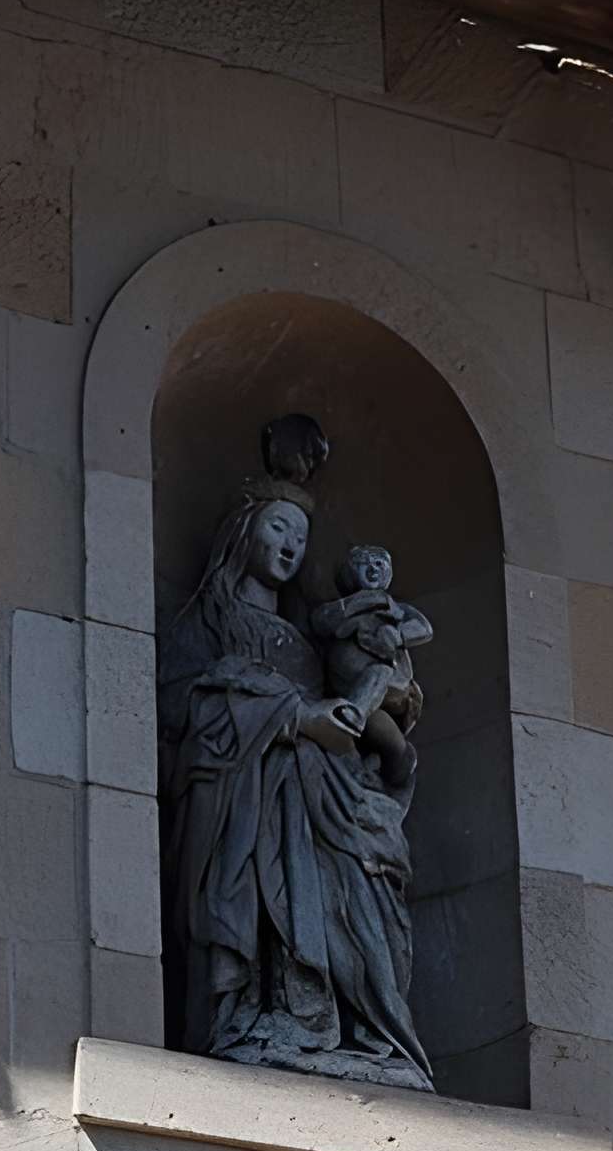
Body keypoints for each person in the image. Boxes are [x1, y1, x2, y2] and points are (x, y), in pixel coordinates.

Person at [155, 421, 434, 1091]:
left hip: (330, 798)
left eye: (301, 536)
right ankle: (260, 1014)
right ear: (245, 532)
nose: (291, 545)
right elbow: (184, 708)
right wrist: (294, 719)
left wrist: (375, 732)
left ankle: (359, 1029)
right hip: (253, 799)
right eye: (279, 528)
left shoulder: (312, 639)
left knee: (366, 876)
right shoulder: (206, 623)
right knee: (272, 851)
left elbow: (364, 709)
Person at [310, 542, 431, 791]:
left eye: (379, 563)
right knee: (376, 737)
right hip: (343, 685)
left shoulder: (395, 609)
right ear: (351, 571)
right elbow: (320, 621)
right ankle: (366, 766)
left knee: (379, 672)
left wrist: (398, 636)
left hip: (389, 686)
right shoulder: (344, 606)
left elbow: (423, 627)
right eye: (366, 563)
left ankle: (354, 715)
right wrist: (350, 611)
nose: (374, 569)